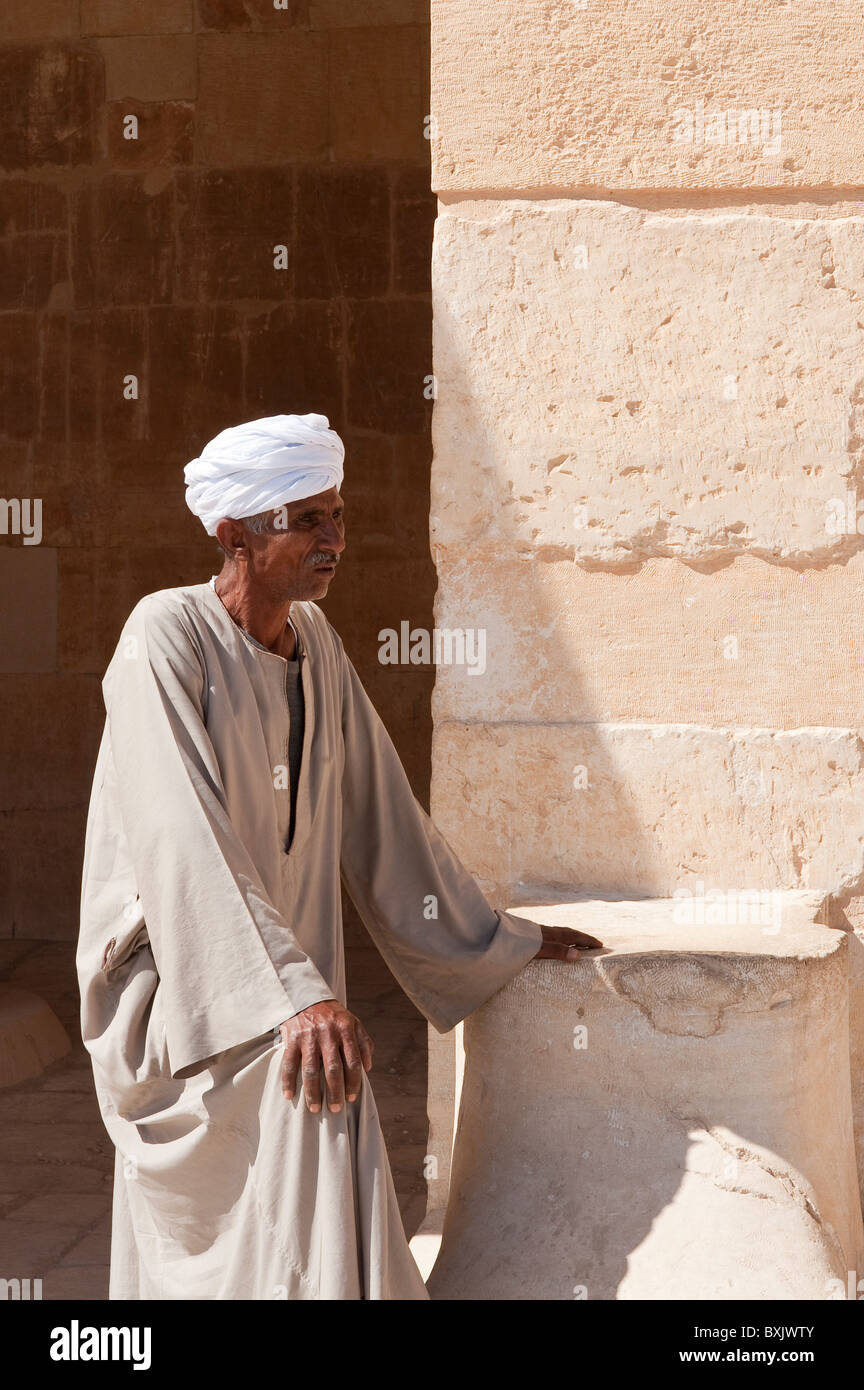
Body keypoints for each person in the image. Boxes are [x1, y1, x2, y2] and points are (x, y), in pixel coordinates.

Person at [77, 413, 602, 1300]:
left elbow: (383, 815)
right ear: (235, 533)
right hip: (174, 992)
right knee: (317, 1076)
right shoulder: (164, 637)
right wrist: (291, 996)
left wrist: (489, 935)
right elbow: (181, 835)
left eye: (338, 515)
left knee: (319, 1067)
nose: (335, 540)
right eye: (308, 519)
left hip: (270, 984)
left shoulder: (317, 646)